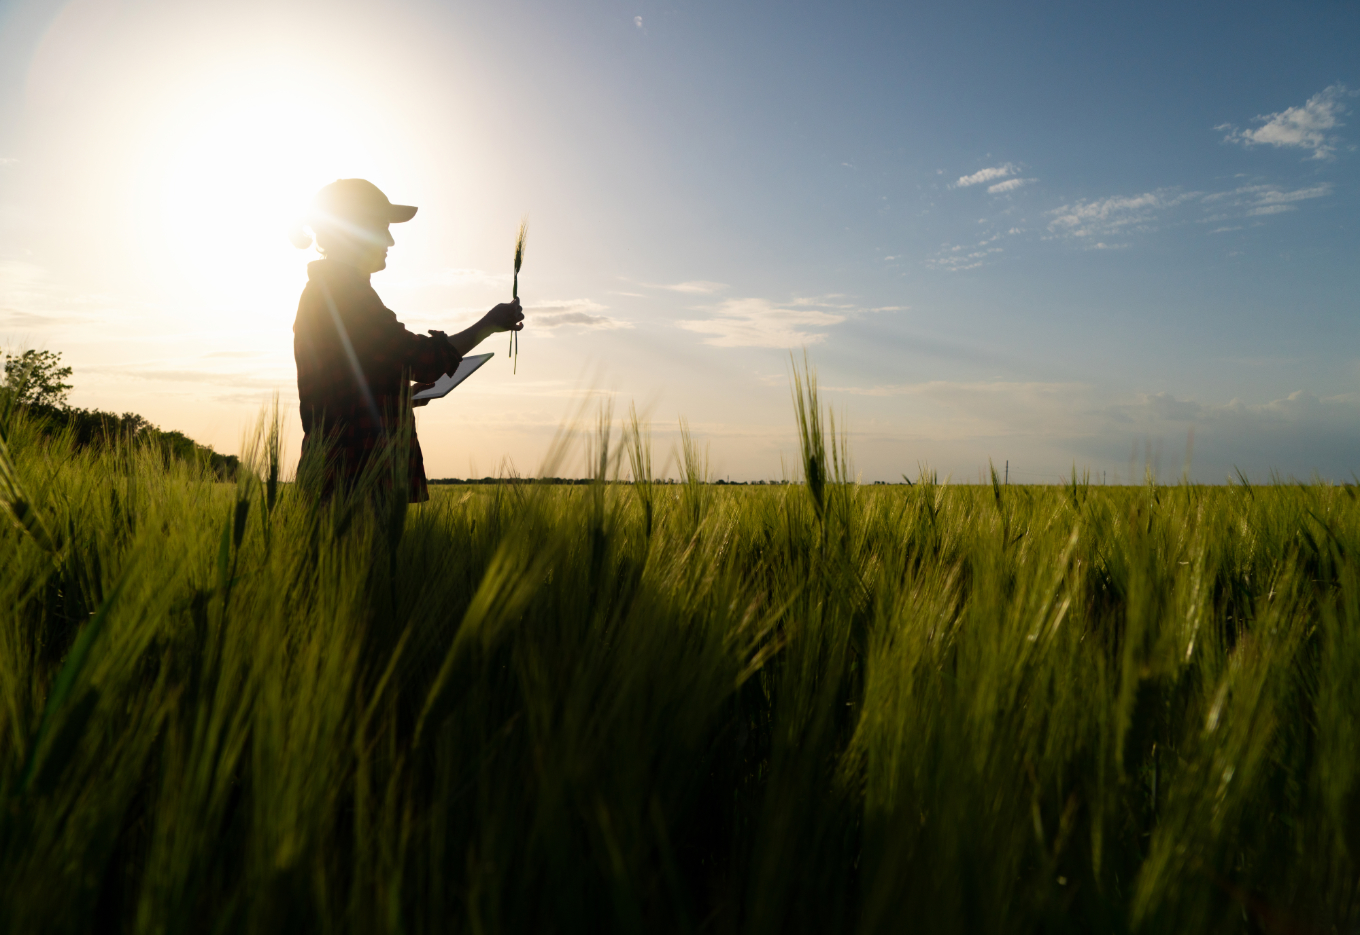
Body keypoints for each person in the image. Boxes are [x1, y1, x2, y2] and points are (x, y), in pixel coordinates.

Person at [291, 178, 523, 502]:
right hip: (353, 481)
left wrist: (402, 398)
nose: (390, 240)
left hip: (347, 478)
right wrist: (489, 324)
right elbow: (419, 359)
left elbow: (353, 381)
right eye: (382, 227)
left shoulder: (337, 292)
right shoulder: (344, 295)